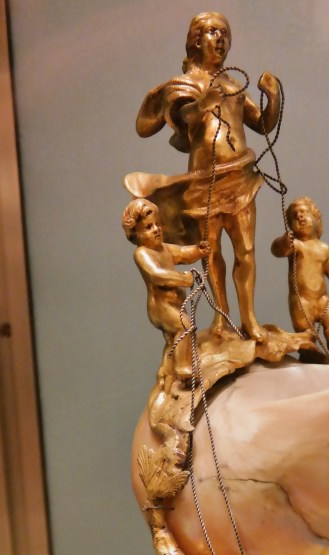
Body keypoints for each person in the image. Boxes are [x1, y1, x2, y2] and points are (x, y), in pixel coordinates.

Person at [130, 11, 281, 342]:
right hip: (204, 181)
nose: (220, 39)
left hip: (240, 176)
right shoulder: (186, 83)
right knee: (210, 251)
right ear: (197, 40)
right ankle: (222, 317)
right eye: (213, 32)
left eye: (224, 33)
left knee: (246, 250)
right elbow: (182, 115)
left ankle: (249, 319)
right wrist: (203, 104)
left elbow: (262, 125)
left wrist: (273, 97)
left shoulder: (233, 86)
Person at [122, 197, 208, 377]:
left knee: (172, 341)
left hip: (174, 304)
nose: (156, 230)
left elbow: (182, 253)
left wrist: (197, 251)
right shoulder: (142, 254)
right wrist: (183, 279)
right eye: (148, 227)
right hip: (161, 307)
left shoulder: (163, 248)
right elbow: (157, 276)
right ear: (135, 234)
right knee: (184, 326)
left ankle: (166, 371)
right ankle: (183, 368)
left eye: (157, 224)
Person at [271, 196, 329, 362]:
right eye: (295, 216)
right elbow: (277, 250)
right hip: (302, 301)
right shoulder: (295, 245)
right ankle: (307, 351)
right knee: (305, 332)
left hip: (322, 299)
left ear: (316, 217)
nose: (299, 216)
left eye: (304, 212)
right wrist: (284, 242)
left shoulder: (325, 248)